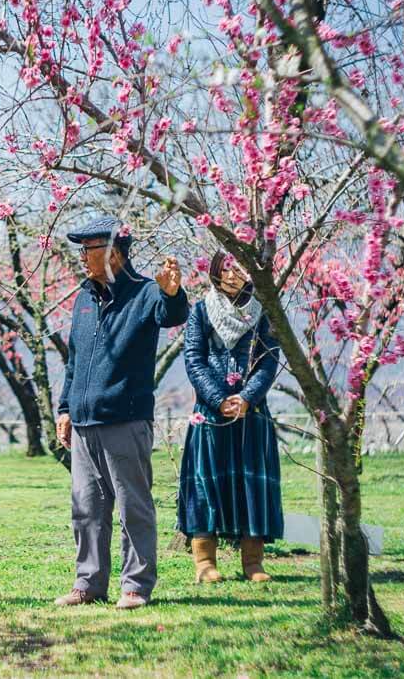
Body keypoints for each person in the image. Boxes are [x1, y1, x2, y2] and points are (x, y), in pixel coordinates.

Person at [54, 216, 188, 610]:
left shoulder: (146, 293)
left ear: (113, 252)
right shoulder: (83, 299)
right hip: (82, 423)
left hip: (125, 419)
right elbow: (74, 362)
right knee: (87, 510)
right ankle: (89, 584)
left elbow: (172, 315)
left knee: (134, 508)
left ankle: (135, 586)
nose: (81, 258)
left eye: (88, 250)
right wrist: (64, 408)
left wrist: (173, 293)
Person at [177, 250, 284, 583]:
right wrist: (218, 399)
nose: (233, 273)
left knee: (251, 483)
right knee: (205, 485)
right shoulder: (201, 311)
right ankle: (205, 563)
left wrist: (248, 398)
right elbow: (193, 358)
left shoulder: (264, 311)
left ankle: (253, 562)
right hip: (210, 414)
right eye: (227, 267)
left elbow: (270, 360)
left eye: (240, 267)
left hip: (251, 414)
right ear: (215, 272)